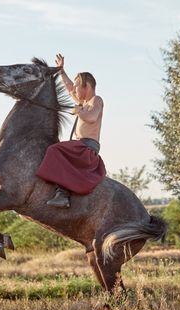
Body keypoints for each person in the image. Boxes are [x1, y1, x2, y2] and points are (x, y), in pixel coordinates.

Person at [36, 53, 106, 208]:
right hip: (80, 145)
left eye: (77, 86)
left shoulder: (96, 100)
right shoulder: (83, 102)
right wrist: (61, 70)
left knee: (55, 150)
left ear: (86, 86)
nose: (74, 90)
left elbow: (92, 117)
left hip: (86, 147)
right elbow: (69, 88)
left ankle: (62, 194)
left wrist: (79, 111)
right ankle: (62, 193)